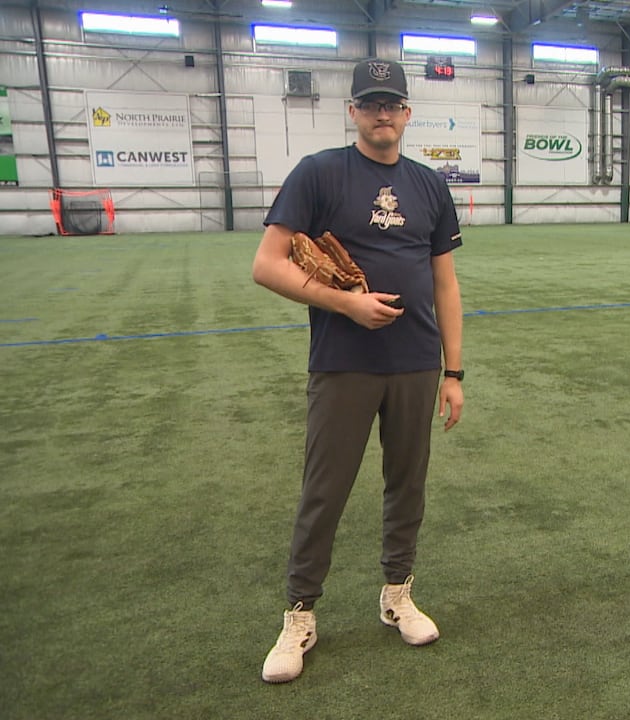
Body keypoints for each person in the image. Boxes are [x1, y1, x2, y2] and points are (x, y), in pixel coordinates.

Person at [251, 58, 465, 684]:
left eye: (391, 103)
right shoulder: (319, 173)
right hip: (344, 364)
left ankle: (397, 593)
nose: (381, 113)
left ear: (406, 113)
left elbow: (445, 285)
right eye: (370, 103)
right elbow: (267, 264)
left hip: (416, 364)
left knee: (407, 484)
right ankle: (299, 615)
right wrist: (345, 303)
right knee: (325, 491)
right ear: (353, 111)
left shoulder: (429, 185)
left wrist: (456, 372)